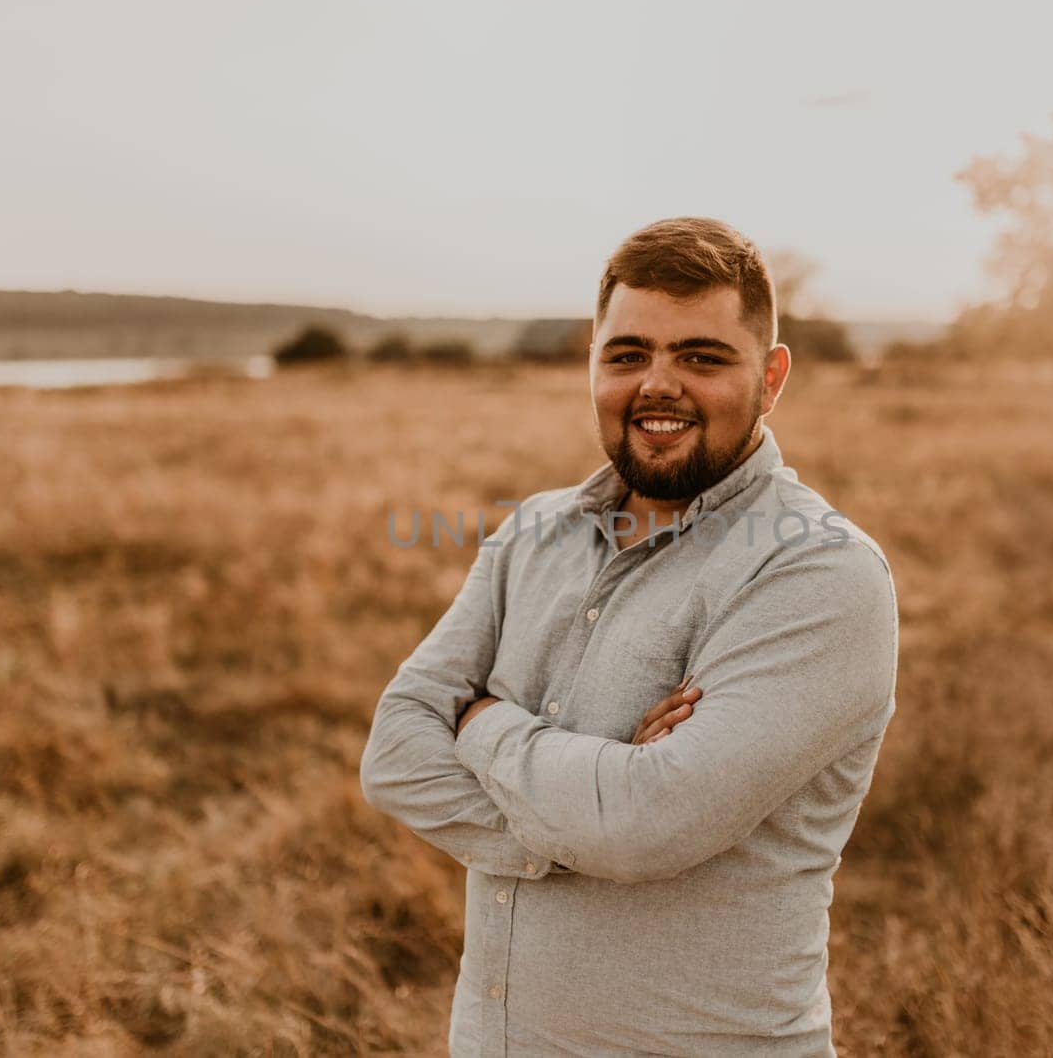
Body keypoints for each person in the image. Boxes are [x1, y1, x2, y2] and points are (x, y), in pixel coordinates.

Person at [360, 217, 899, 1056]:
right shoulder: (530, 533)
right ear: (593, 364)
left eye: (701, 356)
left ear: (772, 376)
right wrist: (586, 820)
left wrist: (481, 724)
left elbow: (643, 827)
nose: (658, 385)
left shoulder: (821, 573)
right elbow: (393, 755)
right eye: (627, 354)